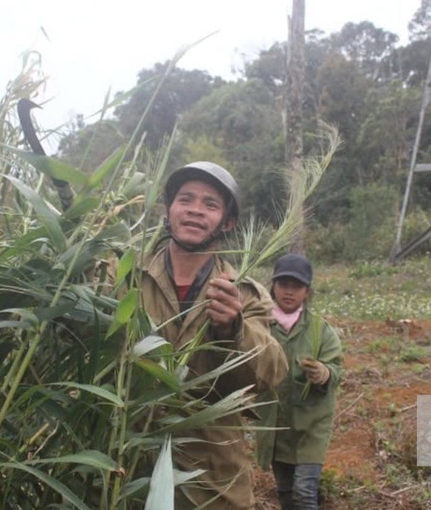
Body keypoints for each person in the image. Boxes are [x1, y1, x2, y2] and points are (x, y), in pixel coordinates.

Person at [139, 161, 288, 509]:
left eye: (210, 204)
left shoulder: (244, 294)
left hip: (210, 480)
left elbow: (269, 374)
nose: (194, 211)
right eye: (185, 199)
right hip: (130, 467)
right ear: (169, 210)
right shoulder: (128, 277)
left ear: (228, 221)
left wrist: (233, 331)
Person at [255, 253, 343, 510]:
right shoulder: (260, 326)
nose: (289, 292)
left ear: (307, 291)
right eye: (284, 285)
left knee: (304, 492)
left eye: (297, 287)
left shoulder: (320, 330)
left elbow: (336, 369)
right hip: (275, 425)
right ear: (273, 286)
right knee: (285, 491)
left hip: (310, 425)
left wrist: (323, 373)